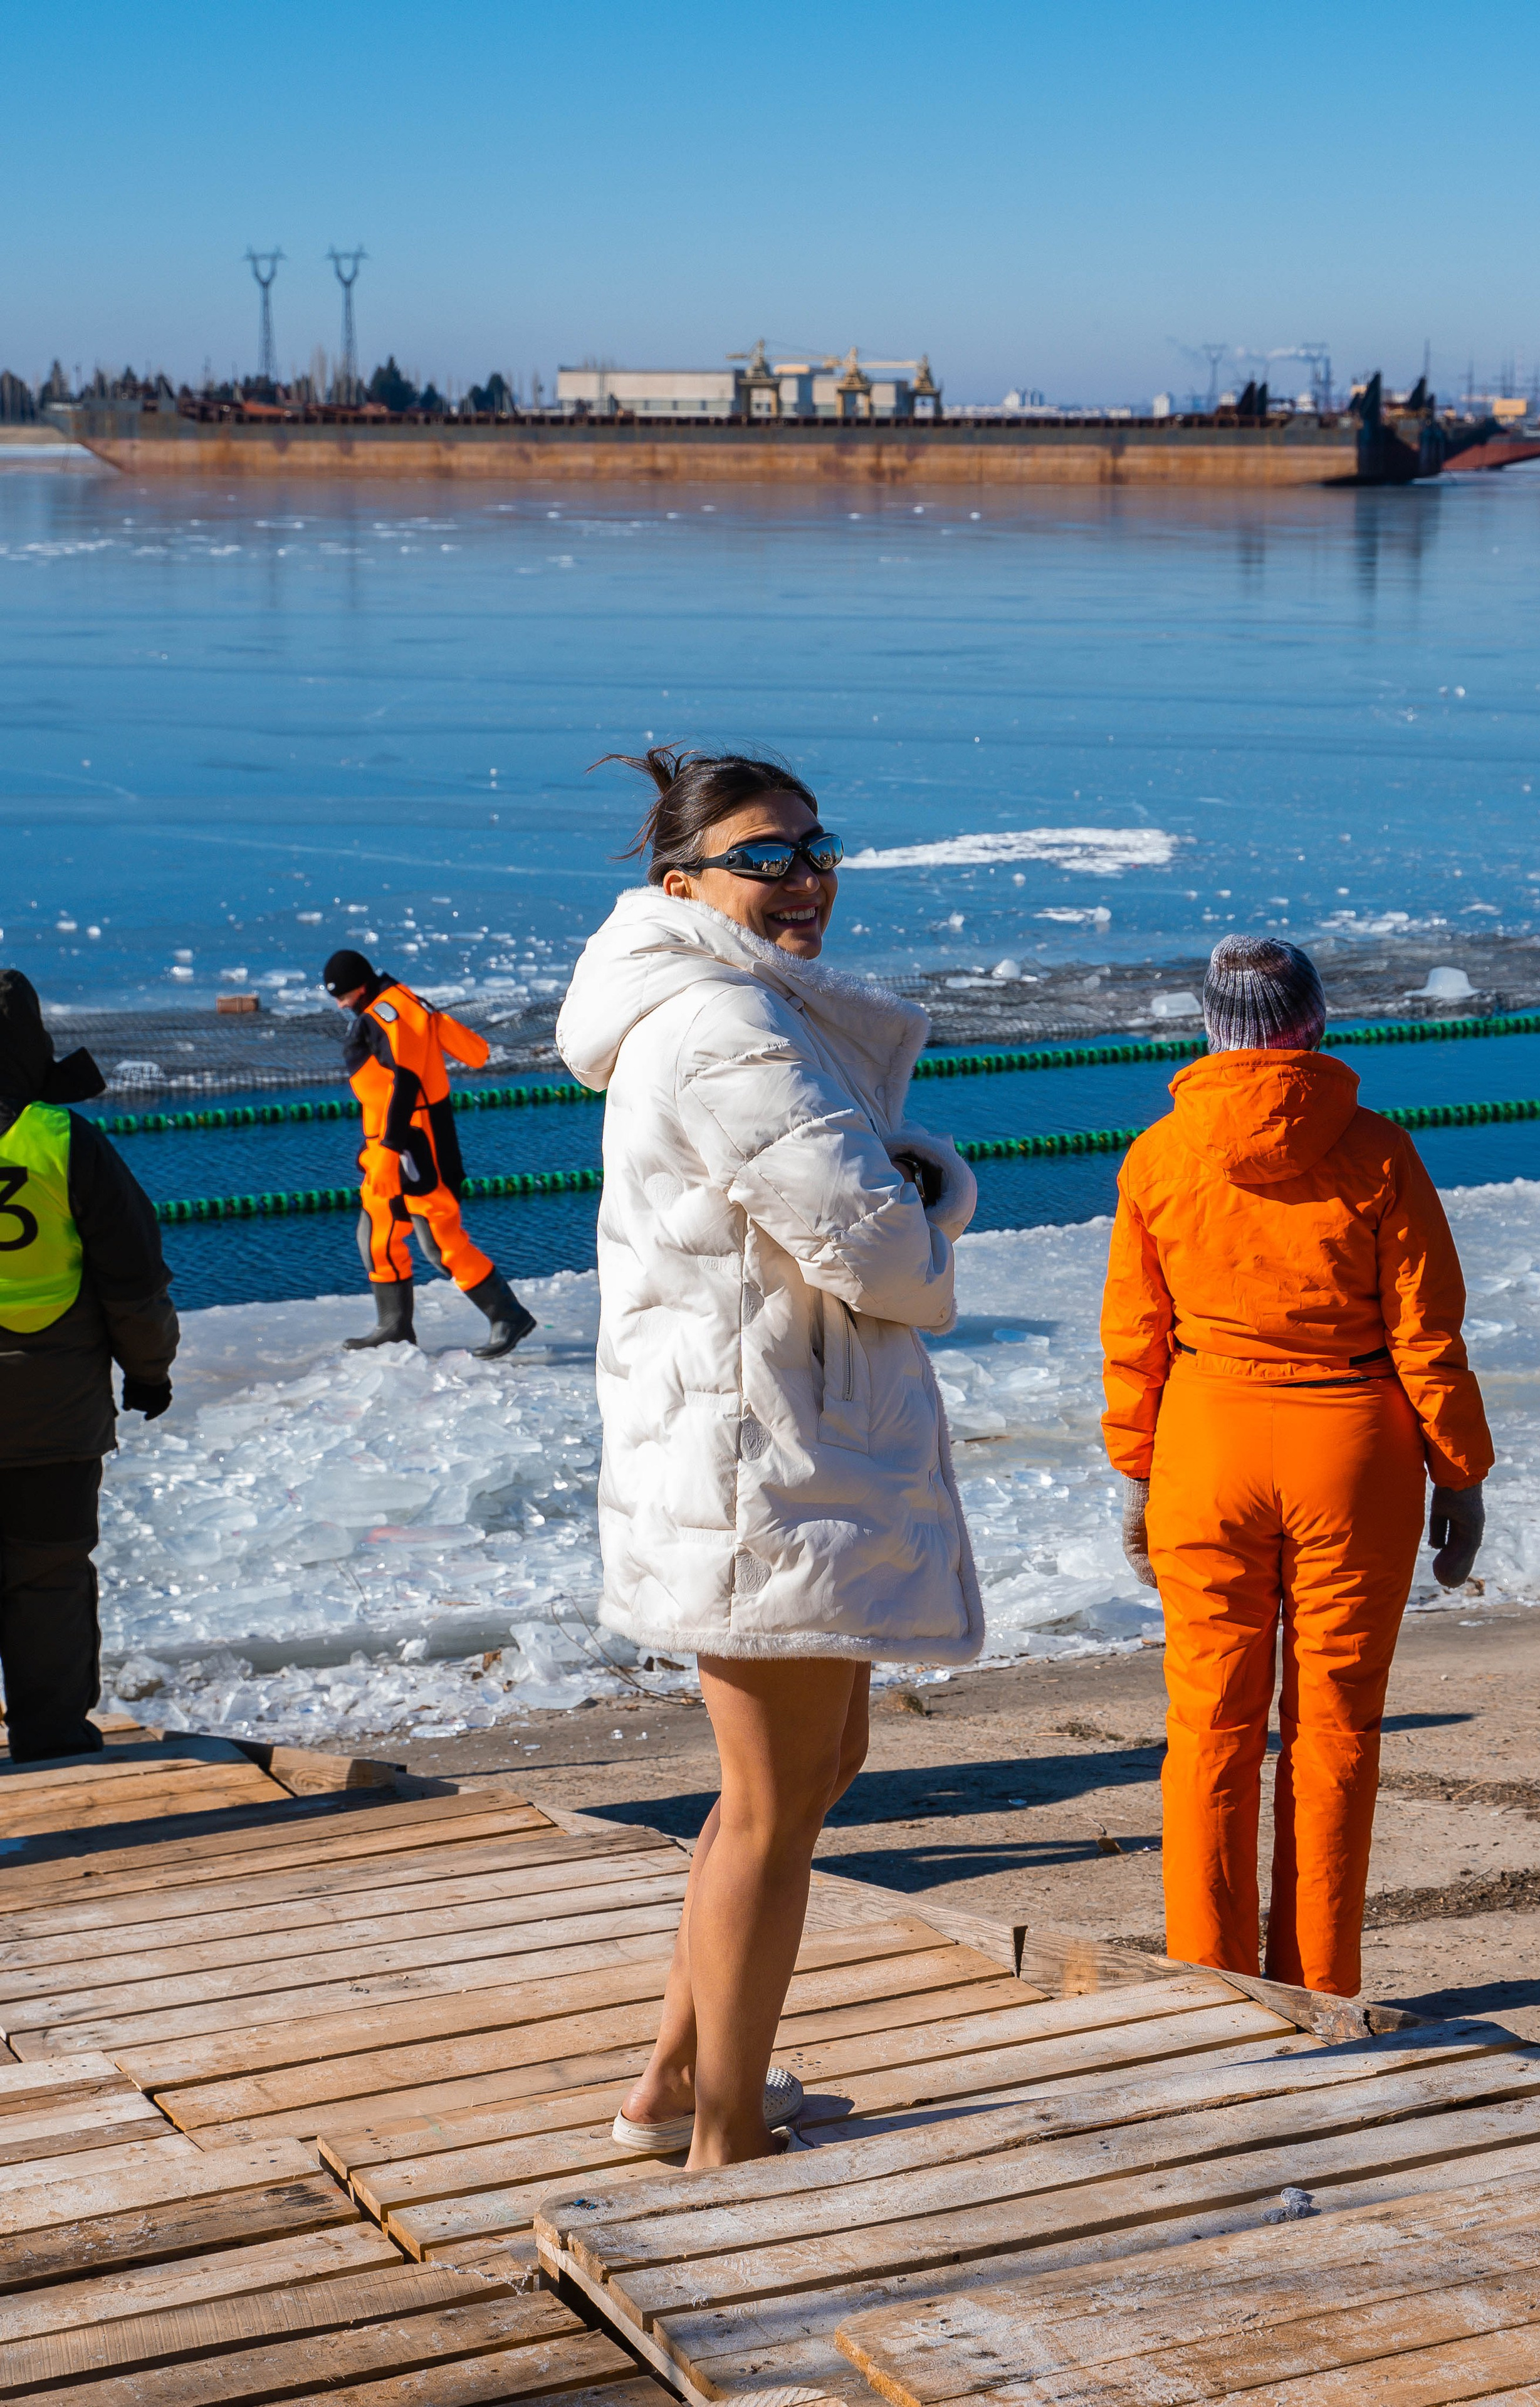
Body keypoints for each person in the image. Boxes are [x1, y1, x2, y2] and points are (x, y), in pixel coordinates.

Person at [555, 747, 982, 2166]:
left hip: (772, 1439)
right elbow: (869, 1246)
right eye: (762, 857)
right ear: (681, 884)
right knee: (769, 1804)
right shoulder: (721, 1021)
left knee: (808, 1769)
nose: (802, 877)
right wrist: (933, 1215)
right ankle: (725, 2129)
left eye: (814, 847)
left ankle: (677, 2082)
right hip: (762, 1456)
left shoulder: (714, 1007)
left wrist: (902, 1185)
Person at [1101, 935, 1494, 1998]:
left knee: (1209, 1725)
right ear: (1315, 1027)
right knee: (1335, 1729)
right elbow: (1427, 1336)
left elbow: (1135, 1338)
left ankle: (1210, 1983)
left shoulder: (1159, 1156)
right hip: (1352, 1450)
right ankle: (1320, 1984)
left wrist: (1138, 1471)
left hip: (1207, 1440)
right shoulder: (1378, 1152)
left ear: (1211, 1033)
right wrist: (1459, 1474)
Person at [0, 972, 178, 1761]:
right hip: (54, 1419)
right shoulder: (62, 1140)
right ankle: (52, 1742)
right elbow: (134, 1283)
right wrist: (149, 1373)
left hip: (55, 1420)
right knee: (48, 1580)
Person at [322, 950, 535, 1359]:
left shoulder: (389, 1012)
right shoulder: (396, 1003)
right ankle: (394, 1326)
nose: (341, 1005)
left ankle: (508, 1315)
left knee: (439, 1240)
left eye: (344, 996)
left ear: (361, 988)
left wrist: (390, 1150)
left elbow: (406, 1084)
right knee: (377, 1234)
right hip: (387, 1146)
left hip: (414, 1145)